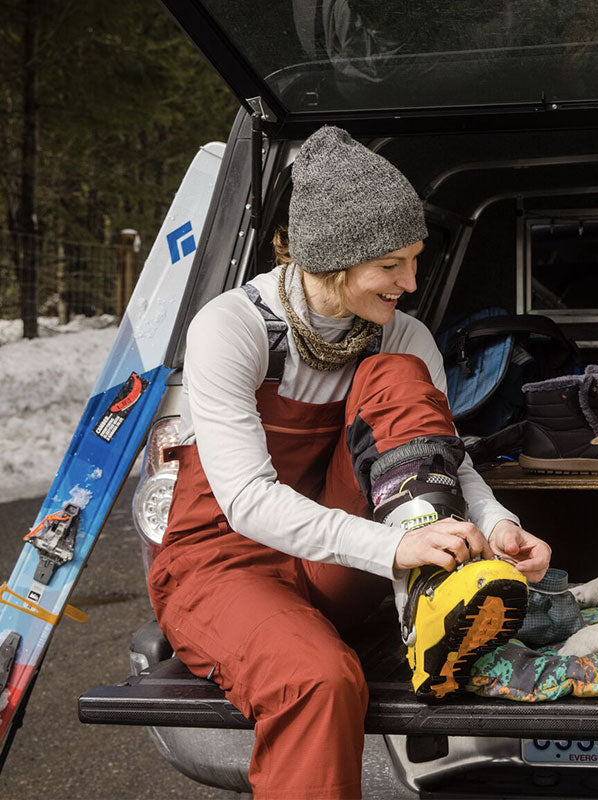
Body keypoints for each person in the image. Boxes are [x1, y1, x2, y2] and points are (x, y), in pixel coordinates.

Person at [147, 125, 551, 799]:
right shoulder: (233, 328)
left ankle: (433, 600)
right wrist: (397, 546)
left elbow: (445, 455)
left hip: (341, 556)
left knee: (394, 374)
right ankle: (414, 585)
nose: (412, 283)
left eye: (416, 260)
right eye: (392, 265)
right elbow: (247, 502)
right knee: (318, 679)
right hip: (223, 561)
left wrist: (496, 523)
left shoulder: (402, 335)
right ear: (331, 259)